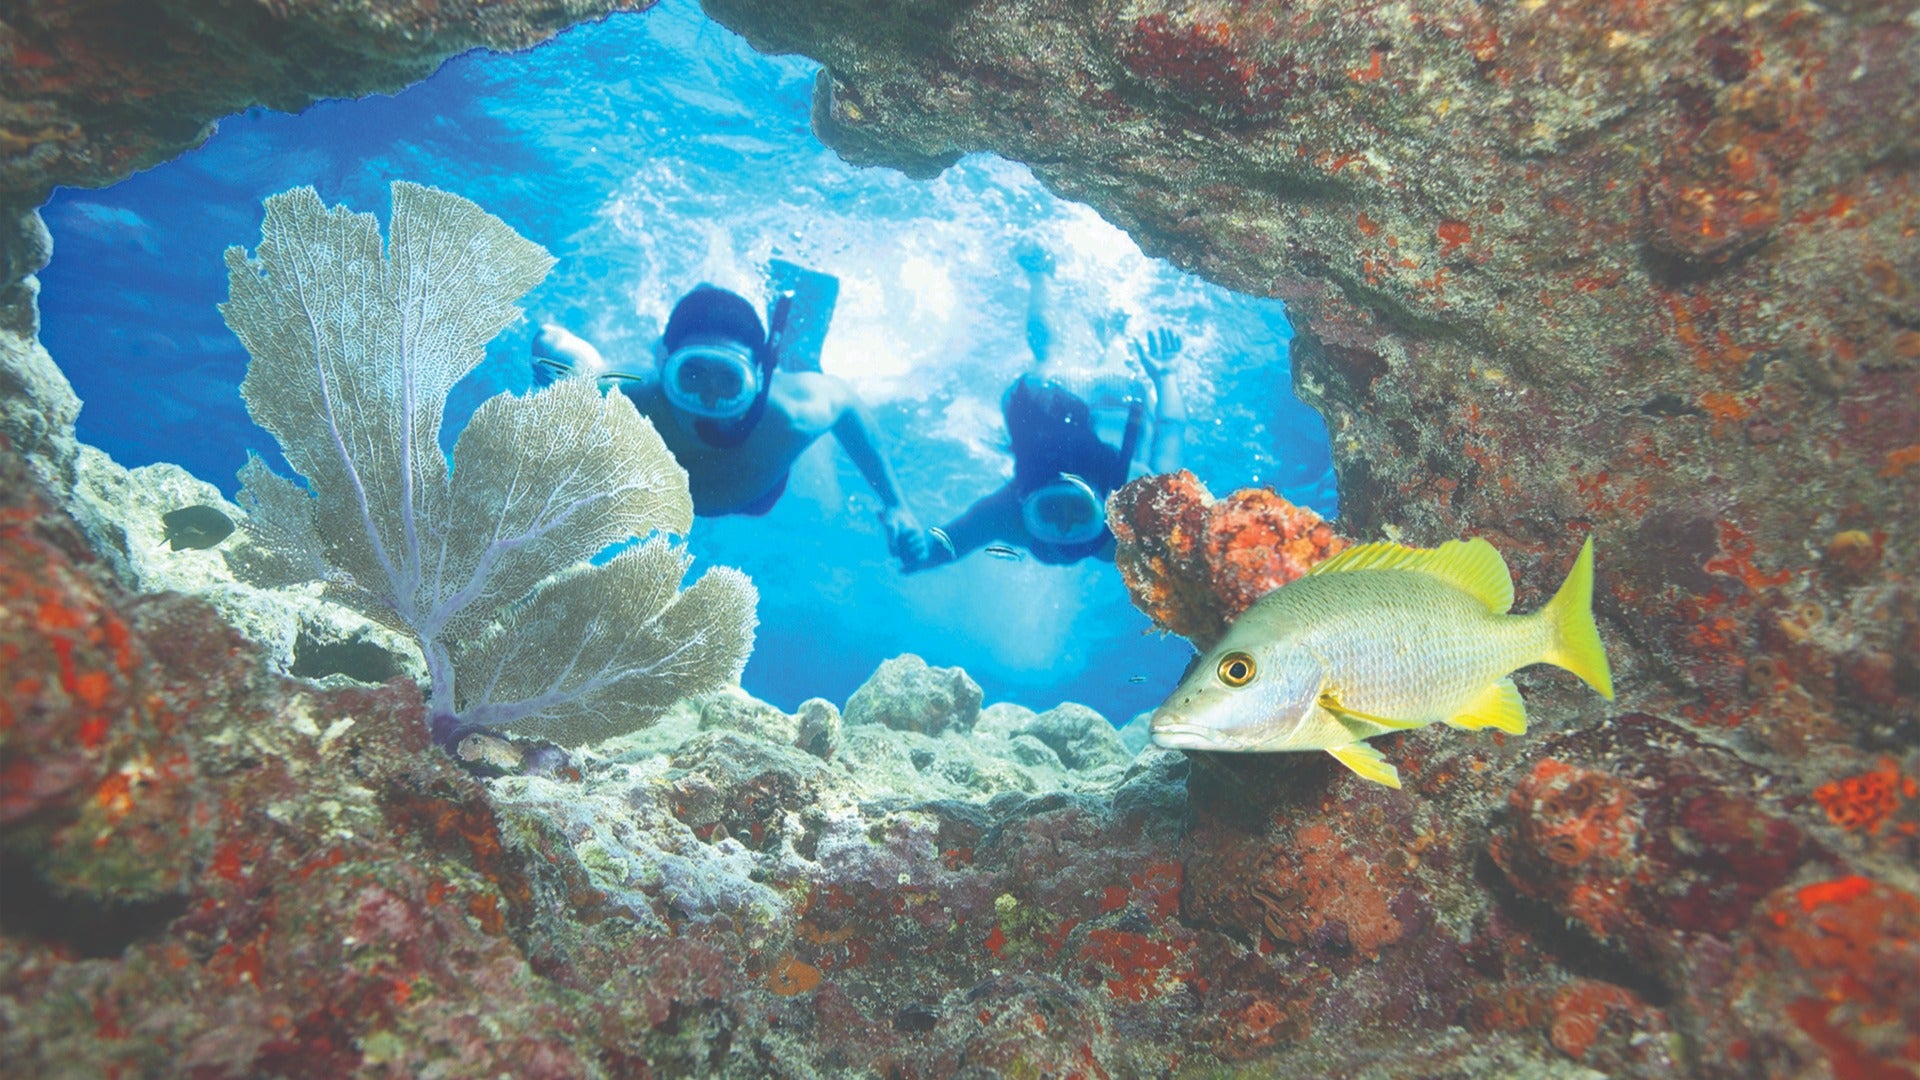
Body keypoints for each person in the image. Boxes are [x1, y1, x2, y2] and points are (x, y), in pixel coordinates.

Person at [532, 284, 928, 562]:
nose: (708, 401)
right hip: (738, 484)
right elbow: (556, 347)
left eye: (729, 381)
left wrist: (897, 504)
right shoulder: (624, 399)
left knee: (802, 366)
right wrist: (547, 347)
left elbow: (845, 402)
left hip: (758, 495)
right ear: (662, 363)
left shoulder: (790, 414)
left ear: (756, 379)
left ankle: (789, 341)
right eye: (691, 376)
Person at [901, 246, 1186, 572]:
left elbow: (944, 545)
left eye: (1054, 510)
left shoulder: (1009, 515)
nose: (1065, 528)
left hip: (1078, 407)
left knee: (1049, 361)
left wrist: (918, 553)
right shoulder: (1134, 507)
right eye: (1060, 511)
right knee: (1070, 362)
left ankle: (1046, 279)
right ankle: (1088, 316)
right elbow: (1170, 432)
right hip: (1116, 407)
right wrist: (1166, 378)